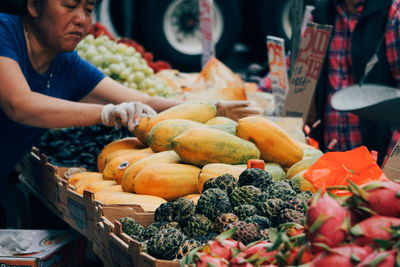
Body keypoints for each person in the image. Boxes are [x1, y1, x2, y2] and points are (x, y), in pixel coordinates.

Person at [0, 0, 261, 187]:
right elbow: (19, 104)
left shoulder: (67, 63)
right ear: (33, 5)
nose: (82, 19)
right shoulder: (4, 32)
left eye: (89, 9)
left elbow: (143, 101)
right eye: (70, 6)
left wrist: (211, 108)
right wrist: (105, 113)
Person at [309, 0, 400, 164]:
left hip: (378, 160)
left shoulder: (393, 12)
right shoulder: (322, 11)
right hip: (327, 156)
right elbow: (300, 71)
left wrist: (394, 166)